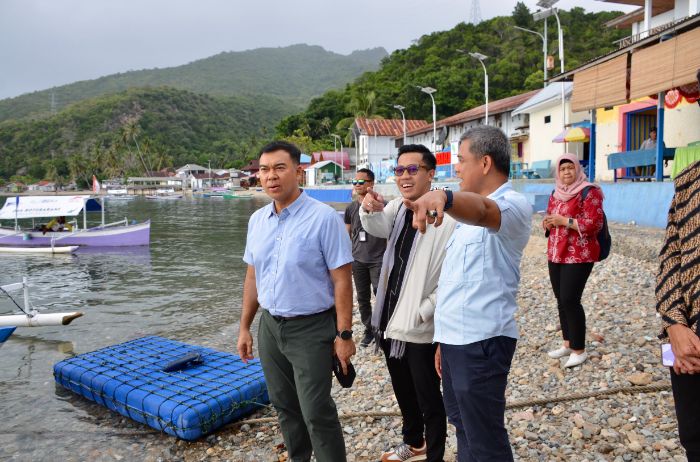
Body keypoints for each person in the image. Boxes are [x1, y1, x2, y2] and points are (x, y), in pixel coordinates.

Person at [403, 126, 532, 462]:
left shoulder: (512, 205)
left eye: (461, 160)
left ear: (485, 163)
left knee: (484, 435)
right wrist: (443, 342)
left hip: (484, 341)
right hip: (457, 342)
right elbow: (457, 284)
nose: (456, 167)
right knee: (463, 426)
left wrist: (443, 197)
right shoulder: (461, 221)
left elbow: (484, 212)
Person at [236, 140, 355, 462]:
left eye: (279, 168)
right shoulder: (257, 221)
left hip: (312, 328)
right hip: (270, 327)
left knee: (316, 409)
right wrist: (245, 327)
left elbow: (342, 280)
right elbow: (252, 276)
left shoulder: (323, 219)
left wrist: (344, 335)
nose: (271, 176)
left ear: (298, 172)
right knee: (284, 404)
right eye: (264, 169)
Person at [361, 144, 453, 462]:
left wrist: (425, 310)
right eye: (399, 170)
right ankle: (413, 441)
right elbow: (377, 228)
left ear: (431, 173)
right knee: (401, 384)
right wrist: (369, 209)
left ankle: (435, 455)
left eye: (413, 169)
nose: (404, 176)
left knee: (428, 392)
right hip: (390, 313)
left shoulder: (449, 216)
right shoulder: (399, 209)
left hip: (420, 320)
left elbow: (458, 277)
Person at [542, 153, 604, 368]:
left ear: (577, 169)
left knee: (570, 299)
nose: (566, 172)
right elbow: (551, 216)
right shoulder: (555, 192)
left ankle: (579, 349)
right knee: (560, 299)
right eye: (563, 169)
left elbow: (593, 223)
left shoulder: (590, 191)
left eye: (570, 168)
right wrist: (549, 223)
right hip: (556, 252)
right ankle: (567, 343)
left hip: (579, 254)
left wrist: (564, 221)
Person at [657, 162, 700, 461]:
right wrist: (675, 324)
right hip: (689, 332)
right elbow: (670, 256)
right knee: (694, 436)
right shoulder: (688, 181)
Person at [344, 168, 386, 348]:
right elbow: (347, 233)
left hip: (378, 259)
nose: (357, 185)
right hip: (358, 259)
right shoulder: (351, 208)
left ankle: (383, 329)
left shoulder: (381, 205)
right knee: (362, 297)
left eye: (361, 182)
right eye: (355, 182)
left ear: (371, 184)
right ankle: (369, 329)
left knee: (381, 294)